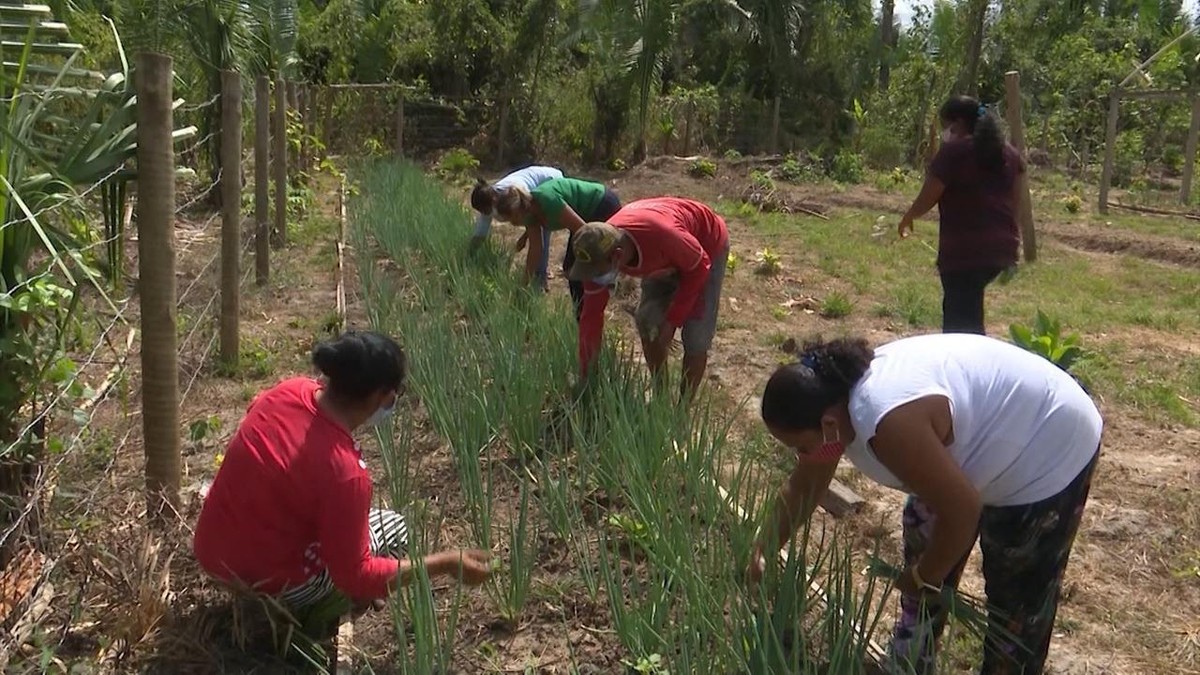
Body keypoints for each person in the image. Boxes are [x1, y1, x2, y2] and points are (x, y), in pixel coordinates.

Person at [748, 333, 1102, 674]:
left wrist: (925, 575)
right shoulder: (834, 409)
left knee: (1016, 602)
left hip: (1048, 440)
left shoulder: (887, 422)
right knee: (925, 540)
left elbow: (962, 509)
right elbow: (804, 486)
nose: (802, 456)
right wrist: (762, 548)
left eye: (800, 447)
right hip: (980, 442)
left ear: (827, 424)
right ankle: (909, 661)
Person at [193, 331, 492, 627]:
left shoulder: (289, 390)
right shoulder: (346, 473)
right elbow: (356, 574)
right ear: (381, 396)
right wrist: (448, 562)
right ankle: (316, 608)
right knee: (394, 527)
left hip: (213, 555)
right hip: (273, 585)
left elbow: (260, 418)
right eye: (395, 392)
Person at [567, 197, 729, 399]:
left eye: (598, 271)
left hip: (705, 247)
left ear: (617, 255)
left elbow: (698, 267)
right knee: (648, 323)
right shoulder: (596, 255)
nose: (594, 277)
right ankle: (661, 399)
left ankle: (683, 411)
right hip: (663, 260)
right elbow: (590, 318)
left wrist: (672, 320)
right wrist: (586, 374)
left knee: (696, 335)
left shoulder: (663, 236)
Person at [898, 95, 1025, 335]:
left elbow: (931, 194)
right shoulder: (1009, 153)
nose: (945, 132)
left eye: (946, 125)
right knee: (969, 307)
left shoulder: (953, 152)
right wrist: (1011, 238)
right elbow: (1014, 202)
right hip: (1001, 247)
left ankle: (969, 367)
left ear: (957, 123)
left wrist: (909, 216)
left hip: (965, 251)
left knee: (960, 323)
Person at [495, 177, 622, 320]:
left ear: (518, 210)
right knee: (570, 269)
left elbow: (586, 233)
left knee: (581, 266)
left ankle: (589, 313)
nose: (512, 223)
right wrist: (523, 285)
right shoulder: (529, 213)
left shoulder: (549, 200)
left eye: (511, 219)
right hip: (584, 221)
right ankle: (583, 315)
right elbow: (535, 249)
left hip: (600, 204)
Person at [469, 165, 564, 288]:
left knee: (542, 232)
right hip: (533, 179)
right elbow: (480, 234)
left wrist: (526, 237)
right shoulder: (488, 202)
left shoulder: (514, 192)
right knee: (535, 234)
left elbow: (533, 217)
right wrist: (469, 255)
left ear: (493, 200)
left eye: (485, 210)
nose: (485, 214)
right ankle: (538, 275)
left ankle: (540, 277)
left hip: (549, 180)